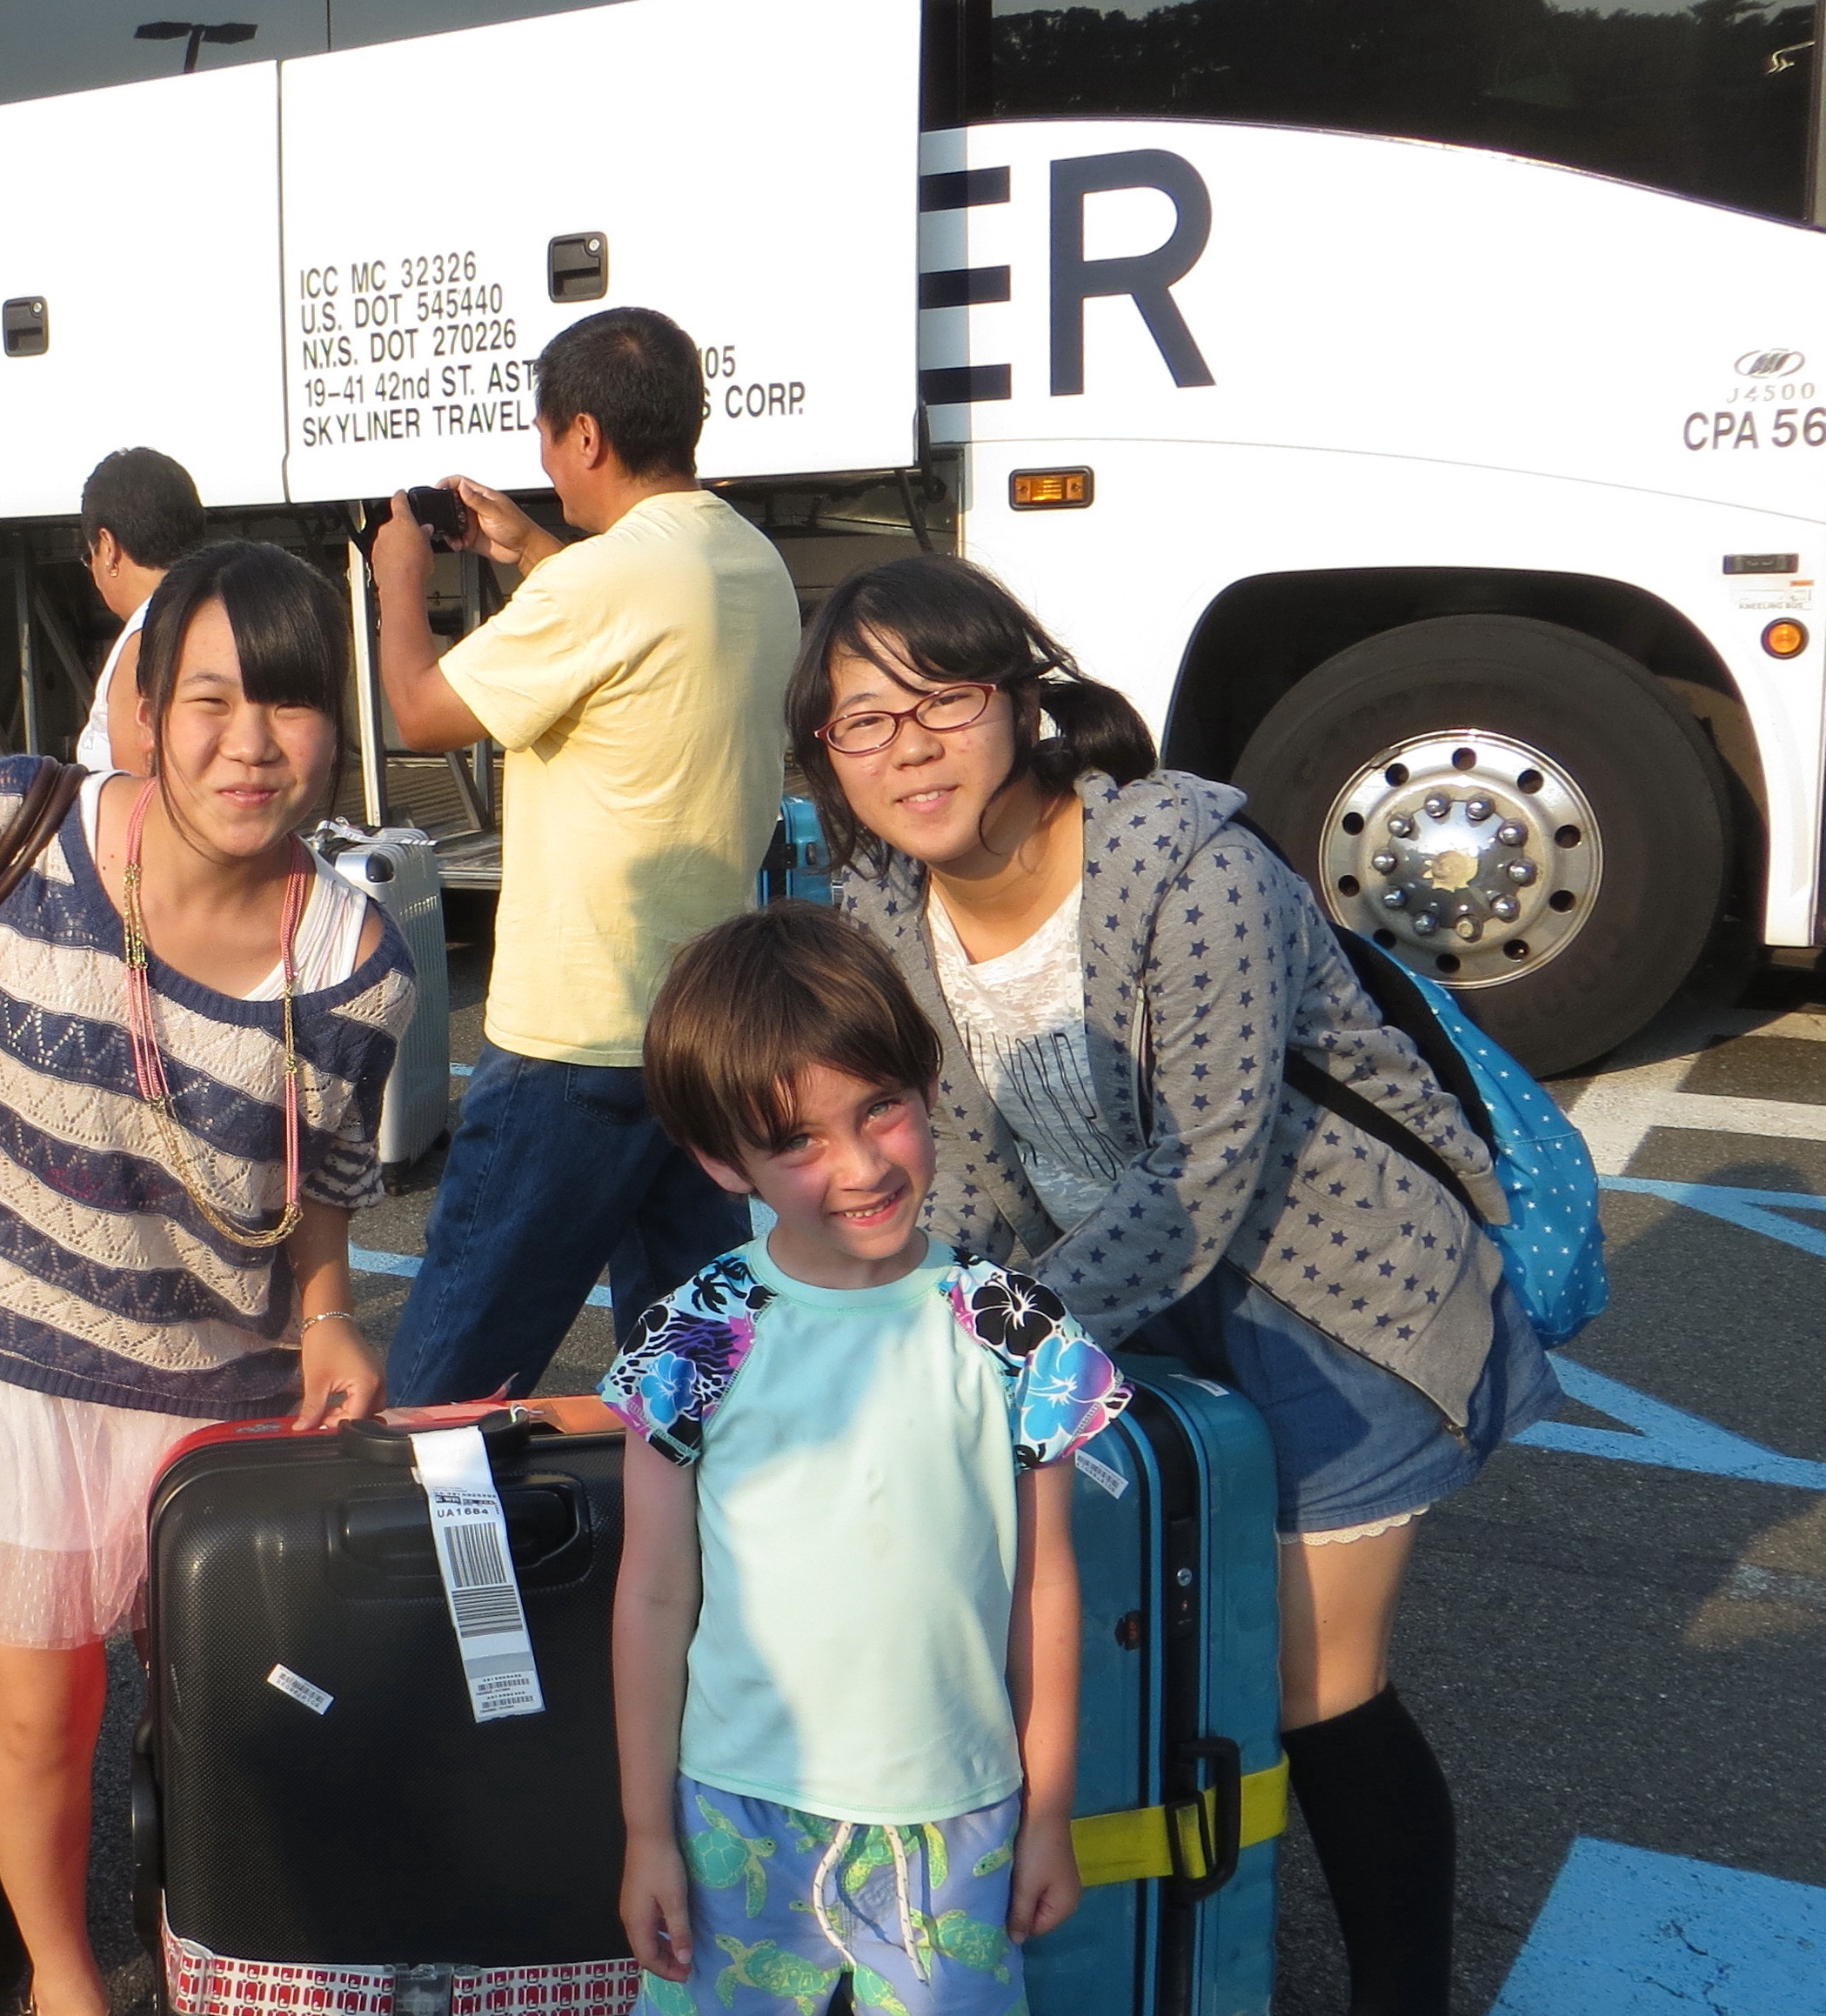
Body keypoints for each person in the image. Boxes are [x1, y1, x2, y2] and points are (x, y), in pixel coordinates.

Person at [793, 554, 1564, 2016]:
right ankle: (1192, 1945)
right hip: (1120, 1295)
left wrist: (989, 1352)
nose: (908, 750)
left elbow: (1204, 1169)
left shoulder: (1188, 864)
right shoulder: (883, 907)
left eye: (941, 701)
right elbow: (957, 1169)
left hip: (1331, 1294)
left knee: (1311, 1685)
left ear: (1021, 701)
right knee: (1152, 1639)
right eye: (863, 722)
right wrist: (904, 1327)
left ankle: (1402, 1994)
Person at [0, 540, 416, 2016]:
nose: (250, 744)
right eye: (209, 700)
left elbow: (325, 1184)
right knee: (41, 1704)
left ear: (336, 726)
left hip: (214, 1383)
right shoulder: (13, 822)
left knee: (226, 1701)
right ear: (143, 707)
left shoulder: (358, 962)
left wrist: (330, 1316)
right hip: (0, 1357)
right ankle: (62, 1977)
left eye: (289, 704)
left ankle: (221, 1944)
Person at [605, 899, 1121, 2016]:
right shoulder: (695, 1332)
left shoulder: (1016, 1331)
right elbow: (651, 1593)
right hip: (733, 1805)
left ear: (926, 1084)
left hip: (958, 1812)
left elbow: (1044, 1586)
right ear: (721, 1162)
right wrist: (647, 1831)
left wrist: (1047, 1813)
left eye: (878, 1107)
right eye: (795, 1141)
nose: (858, 1164)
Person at [366, 304, 802, 1405]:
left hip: (574, 1038)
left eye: (547, 433)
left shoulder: (597, 583)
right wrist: (526, 549)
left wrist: (397, 578)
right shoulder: (745, 558)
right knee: (692, 1374)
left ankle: (430, 1519)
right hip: (697, 1031)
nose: (547, 457)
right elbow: (637, 627)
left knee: (450, 1382)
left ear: (587, 436)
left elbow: (420, 710)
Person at [73, 446, 207, 774]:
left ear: (108, 547)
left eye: (90, 556)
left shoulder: (145, 639)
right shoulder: (227, 611)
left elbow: (142, 789)